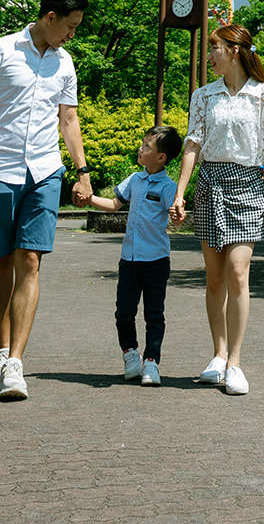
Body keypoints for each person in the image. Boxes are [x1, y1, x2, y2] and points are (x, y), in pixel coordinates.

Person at [0, 0, 93, 401]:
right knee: (1, 261)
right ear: (50, 18)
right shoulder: (0, 50)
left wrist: (82, 171)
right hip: (1, 170)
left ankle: (17, 362)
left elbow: (69, 119)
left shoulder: (66, 63)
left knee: (31, 260)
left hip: (45, 171)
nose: (72, 34)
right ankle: (1, 353)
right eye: (70, 26)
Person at [170, 23, 264, 396]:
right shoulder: (204, 96)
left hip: (248, 186)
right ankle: (218, 355)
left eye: (215, 49)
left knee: (239, 273)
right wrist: (180, 194)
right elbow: (193, 144)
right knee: (214, 278)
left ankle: (235, 363)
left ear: (234, 51)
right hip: (210, 184)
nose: (210, 56)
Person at [86, 123, 183, 386]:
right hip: (129, 261)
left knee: (154, 314)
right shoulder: (134, 180)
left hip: (156, 261)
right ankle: (130, 354)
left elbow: (176, 218)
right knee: (124, 312)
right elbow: (115, 204)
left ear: (161, 157)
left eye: (147, 146)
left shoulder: (167, 187)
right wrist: (90, 198)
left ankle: (151, 362)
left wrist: (177, 215)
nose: (140, 149)